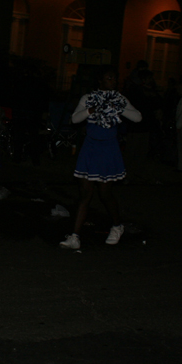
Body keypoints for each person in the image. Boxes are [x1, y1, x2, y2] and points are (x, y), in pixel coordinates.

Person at [60, 67, 142, 250]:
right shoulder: (88, 98)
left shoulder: (120, 99)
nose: (113, 81)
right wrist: (92, 109)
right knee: (85, 194)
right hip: (90, 148)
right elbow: (74, 119)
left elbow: (137, 117)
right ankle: (75, 237)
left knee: (105, 194)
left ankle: (117, 226)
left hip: (108, 149)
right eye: (109, 78)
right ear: (100, 81)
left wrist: (118, 108)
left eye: (114, 78)